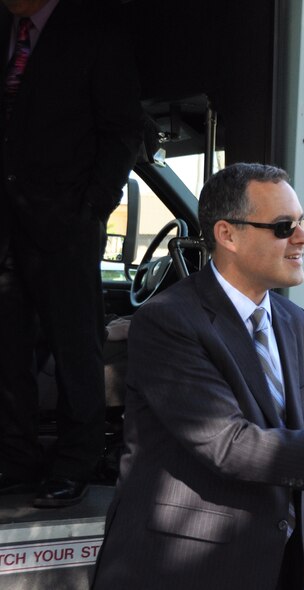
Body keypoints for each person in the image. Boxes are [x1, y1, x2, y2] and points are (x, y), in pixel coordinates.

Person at [91, 163, 304, 590]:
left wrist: (303, 548)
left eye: (302, 221)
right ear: (227, 235)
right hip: (176, 571)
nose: (303, 237)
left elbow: (292, 434)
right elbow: (228, 445)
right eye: (284, 226)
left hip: (272, 564)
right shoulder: (166, 321)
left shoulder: (293, 321)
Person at [0, 0, 144, 507]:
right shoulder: (7, 29)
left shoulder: (94, 29)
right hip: (7, 224)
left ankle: (74, 462)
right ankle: (16, 459)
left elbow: (125, 130)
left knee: (74, 346)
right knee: (8, 344)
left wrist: (92, 209)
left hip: (65, 223)